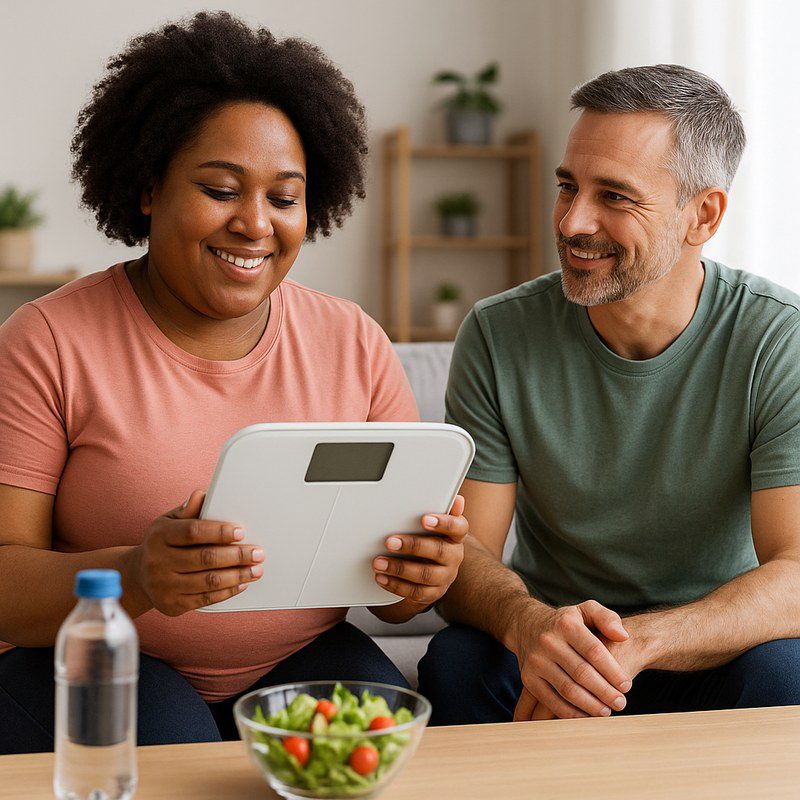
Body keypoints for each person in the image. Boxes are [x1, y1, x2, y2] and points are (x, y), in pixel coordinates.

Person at [0, 12, 468, 754]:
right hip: (105, 656)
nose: (255, 224)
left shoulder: (354, 342)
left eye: (284, 199)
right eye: (221, 189)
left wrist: (420, 579)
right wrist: (136, 574)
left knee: (380, 745)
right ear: (148, 188)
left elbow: (401, 601)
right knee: (179, 754)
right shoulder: (48, 340)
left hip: (298, 658)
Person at [417, 64, 800, 725]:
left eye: (615, 197)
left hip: (706, 651)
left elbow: (796, 573)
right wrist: (530, 627)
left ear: (701, 215)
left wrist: (644, 643)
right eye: (568, 187)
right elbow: (466, 554)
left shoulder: (777, 338)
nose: (572, 222)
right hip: (553, 646)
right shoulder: (499, 332)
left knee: (785, 669)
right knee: (456, 662)